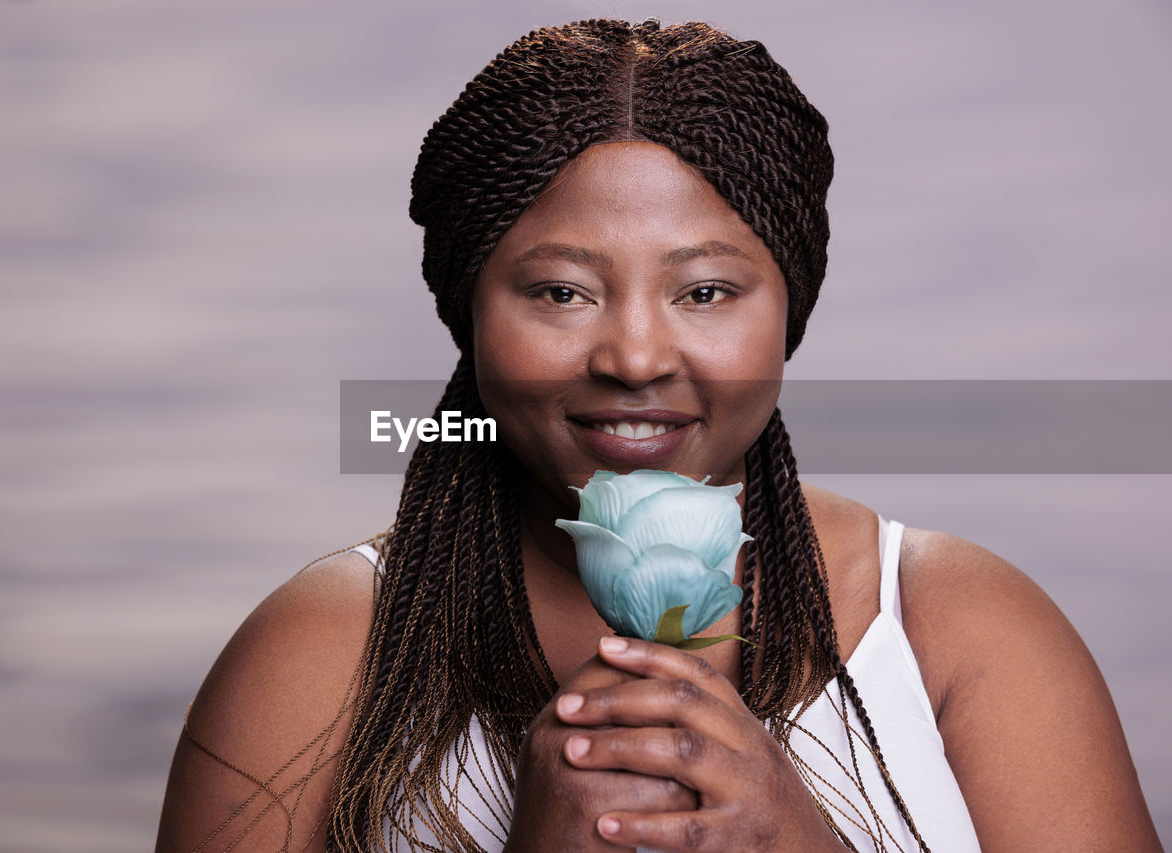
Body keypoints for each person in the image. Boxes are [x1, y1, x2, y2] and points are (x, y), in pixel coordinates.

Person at [156, 19, 1161, 853]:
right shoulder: (323, 653)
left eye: (705, 290)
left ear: (785, 312)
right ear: (470, 308)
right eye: (559, 290)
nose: (634, 355)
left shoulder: (955, 629)